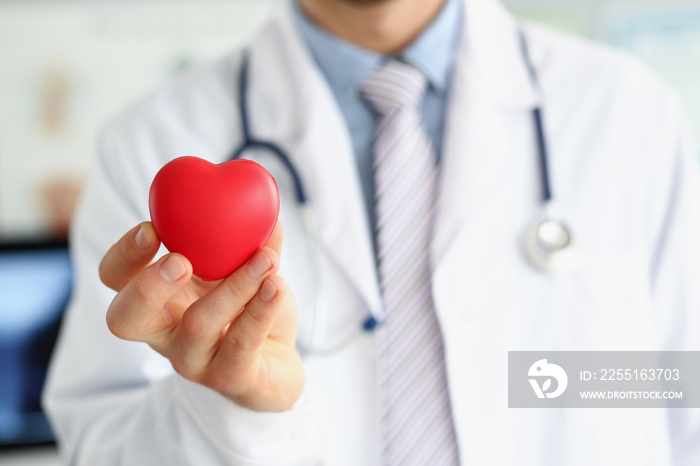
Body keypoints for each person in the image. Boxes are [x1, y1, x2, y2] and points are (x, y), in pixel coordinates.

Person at [43, 0, 700, 464]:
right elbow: (97, 446)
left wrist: (556, 381)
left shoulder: (628, 109)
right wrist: (227, 410)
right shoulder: (149, 144)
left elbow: (681, 389)